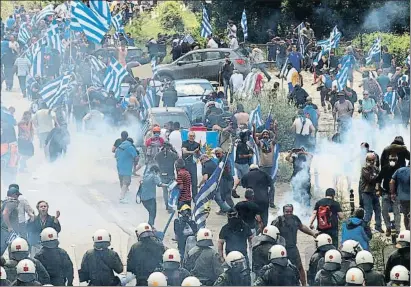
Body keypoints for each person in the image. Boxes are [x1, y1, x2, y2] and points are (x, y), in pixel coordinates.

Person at [272, 204, 317, 286]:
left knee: (299, 268)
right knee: (279, 268)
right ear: (283, 212)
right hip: (281, 249)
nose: (289, 213)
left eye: (290, 211)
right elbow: (271, 232)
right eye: (287, 212)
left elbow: (302, 227)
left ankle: (304, 284)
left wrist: (312, 233)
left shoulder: (295, 219)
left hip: (292, 248)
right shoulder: (278, 220)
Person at [376, 154, 402, 236]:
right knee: (384, 211)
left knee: (397, 212)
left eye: (394, 160)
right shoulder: (384, 168)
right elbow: (378, 179)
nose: (392, 161)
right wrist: (378, 190)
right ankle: (388, 227)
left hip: (396, 194)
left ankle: (397, 230)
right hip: (385, 193)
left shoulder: (399, 169)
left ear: (397, 160)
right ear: (388, 160)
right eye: (391, 159)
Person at [252, 127, 276, 207]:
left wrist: (275, 128)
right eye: (264, 134)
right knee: (262, 186)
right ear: (262, 135)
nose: (265, 135)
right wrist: (254, 128)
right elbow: (254, 137)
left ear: (269, 135)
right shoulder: (260, 143)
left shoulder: (271, 143)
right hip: (262, 167)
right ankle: (262, 201)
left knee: (272, 186)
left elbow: (276, 136)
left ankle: (271, 203)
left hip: (270, 167)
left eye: (267, 134)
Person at [360, 153, 383, 233]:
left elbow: (379, 180)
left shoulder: (376, 169)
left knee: (378, 210)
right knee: (368, 211)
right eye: (369, 160)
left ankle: (378, 227)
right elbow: (370, 179)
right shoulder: (364, 169)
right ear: (366, 160)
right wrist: (378, 176)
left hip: (374, 192)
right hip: (366, 193)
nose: (371, 162)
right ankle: (365, 228)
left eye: (373, 160)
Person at [155, 142, 178, 212]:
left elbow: (155, 159)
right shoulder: (172, 154)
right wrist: (173, 150)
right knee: (171, 191)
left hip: (162, 174)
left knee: (164, 191)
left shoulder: (158, 155)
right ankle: (170, 207)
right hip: (170, 174)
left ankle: (167, 206)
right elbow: (178, 158)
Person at [115, 133, 138, 203]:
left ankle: (125, 195)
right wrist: (135, 164)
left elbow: (115, 156)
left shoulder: (119, 146)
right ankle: (122, 197)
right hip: (127, 167)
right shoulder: (130, 147)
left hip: (119, 166)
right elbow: (136, 157)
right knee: (126, 182)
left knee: (121, 181)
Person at [0, 186, 21, 256]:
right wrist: (9, 226)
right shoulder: (12, 202)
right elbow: (5, 213)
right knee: (11, 249)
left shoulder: (5, 202)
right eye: (17, 195)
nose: (18, 197)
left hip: (3, 229)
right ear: (13, 194)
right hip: (8, 231)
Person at [232, 130, 253, 197]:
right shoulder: (241, 145)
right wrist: (248, 155)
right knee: (248, 178)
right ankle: (248, 193)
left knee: (239, 178)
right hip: (242, 163)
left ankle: (233, 189)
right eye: (246, 137)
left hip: (238, 163)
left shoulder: (243, 144)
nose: (247, 138)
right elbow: (240, 156)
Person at [390, 164, 410, 229]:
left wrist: (392, 193)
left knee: (406, 215)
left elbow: (391, 182)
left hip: (402, 198)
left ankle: (407, 230)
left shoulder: (399, 170)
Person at [182, 131, 200, 199]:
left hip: (193, 165)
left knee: (194, 182)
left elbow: (198, 154)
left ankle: (195, 197)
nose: (192, 137)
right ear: (188, 136)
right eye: (190, 136)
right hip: (186, 164)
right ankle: (186, 196)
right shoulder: (184, 143)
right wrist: (193, 152)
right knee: (186, 181)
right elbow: (184, 152)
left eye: (193, 136)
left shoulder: (197, 144)